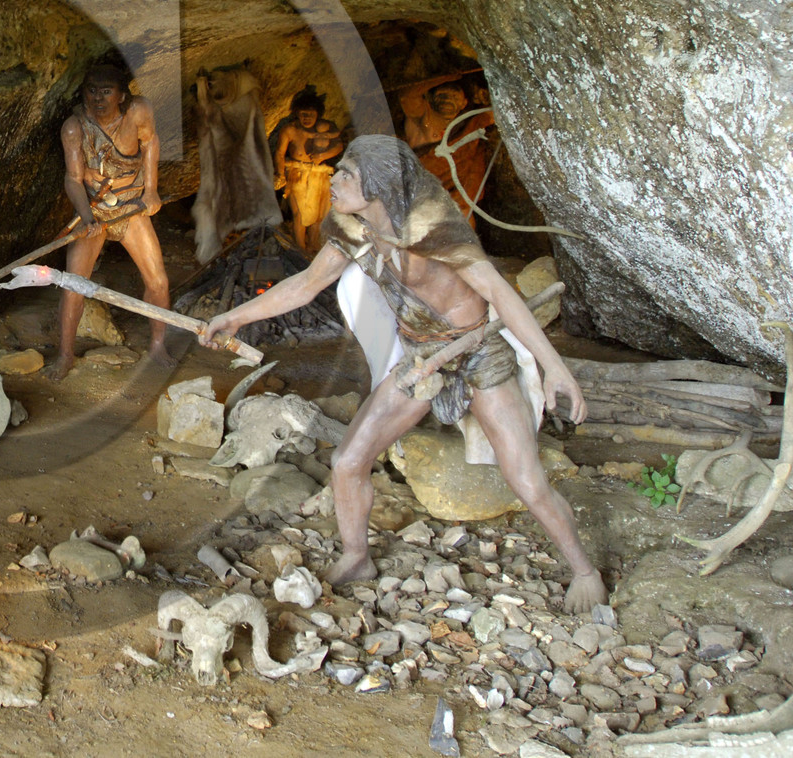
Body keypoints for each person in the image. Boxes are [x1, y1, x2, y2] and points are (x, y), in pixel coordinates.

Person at [200, 135, 607, 615]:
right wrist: (237, 317)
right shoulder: (354, 226)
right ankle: (357, 558)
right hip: (419, 358)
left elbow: (500, 293)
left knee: (526, 478)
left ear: (379, 185)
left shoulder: (432, 225)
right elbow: (306, 285)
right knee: (349, 461)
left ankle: (585, 570)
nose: (334, 179)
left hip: (476, 356)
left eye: (346, 173)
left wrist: (554, 366)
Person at [51, 64, 170, 379]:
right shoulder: (75, 128)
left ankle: (158, 344)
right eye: (92, 90)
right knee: (73, 286)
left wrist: (152, 191)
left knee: (157, 282)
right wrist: (88, 217)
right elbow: (73, 179)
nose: (98, 98)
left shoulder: (139, 112)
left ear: (121, 95)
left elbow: (151, 144)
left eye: (106, 91)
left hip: (130, 204)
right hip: (94, 207)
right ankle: (65, 355)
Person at [401, 74, 494, 222]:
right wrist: (443, 78)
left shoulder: (470, 123)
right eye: (442, 95)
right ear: (431, 99)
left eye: (454, 96)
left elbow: (497, 112)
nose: (448, 100)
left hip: (454, 191)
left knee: (463, 213)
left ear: (464, 103)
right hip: (422, 186)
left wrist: (489, 97)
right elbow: (407, 97)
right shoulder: (423, 116)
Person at [273, 87, 343, 252]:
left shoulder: (325, 128)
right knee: (300, 215)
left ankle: (313, 248)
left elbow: (338, 145)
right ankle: (299, 249)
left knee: (318, 216)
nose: (306, 118)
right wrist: (280, 173)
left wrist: (324, 155)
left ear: (317, 114)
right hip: (297, 173)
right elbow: (280, 153)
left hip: (320, 174)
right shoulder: (290, 129)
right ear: (297, 113)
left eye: (310, 115)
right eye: (303, 114)